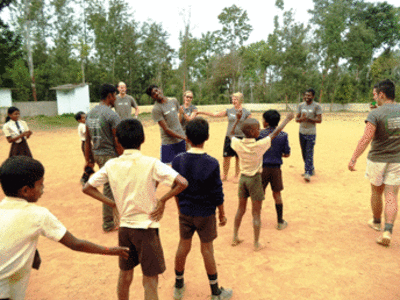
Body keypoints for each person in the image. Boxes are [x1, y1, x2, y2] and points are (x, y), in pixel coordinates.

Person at [83, 118, 188, 300]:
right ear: (143, 139)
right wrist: (162, 200)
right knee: (150, 280)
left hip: (125, 229)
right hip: (147, 229)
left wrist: (113, 204)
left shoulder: (111, 165)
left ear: (118, 141)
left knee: (125, 275)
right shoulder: (151, 163)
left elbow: (87, 188)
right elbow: (182, 182)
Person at [0, 156, 129, 300]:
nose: (43, 188)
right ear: (25, 191)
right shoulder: (38, 215)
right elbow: (75, 244)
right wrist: (110, 250)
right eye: (40, 184)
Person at [171, 118, 232, 300]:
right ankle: (215, 292)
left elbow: (175, 189)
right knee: (207, 250)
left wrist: (180, 208)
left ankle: (179, 286)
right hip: (205, 213)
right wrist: (221, 213)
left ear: (186, 138)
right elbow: (217, 192)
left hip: (186, 211)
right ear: (207, 137)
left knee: (183, 246)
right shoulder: (212, 163)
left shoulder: (178, 160)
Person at [230, 111, 294, 251]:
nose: (260, 130)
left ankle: (235, 236)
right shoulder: (259, 145)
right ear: (253, 132)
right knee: (256, 213)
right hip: (254, 179)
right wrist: (287, 120)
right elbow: (276, 132)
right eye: (258, 129)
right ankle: (256, 243)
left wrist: (236, 120)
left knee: (240, 209)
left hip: (243, 179)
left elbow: (231, 134)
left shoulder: (238, 144)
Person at [348, 79, 400, 247]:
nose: (374, 98)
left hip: (377, 159)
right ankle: (388, 230)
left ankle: (377, 222)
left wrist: (354, 157)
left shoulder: (375, 114)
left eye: (375, 95)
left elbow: (366, 138)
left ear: (382, 94)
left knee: (376, 192)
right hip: (397, 160)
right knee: (391, 195)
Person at [85, 83, 123, 232]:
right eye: (114, 96)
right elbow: (117, 140)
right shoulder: (111, 114)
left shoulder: (90, 113)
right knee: (109, 188)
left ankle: (115, 216)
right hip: (109, 155)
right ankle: (108, 223)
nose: (115, 99)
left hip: (97, 153)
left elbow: (87, 140)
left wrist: (88, 160)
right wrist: (122, 156)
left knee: (112, 186)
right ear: (109, 96)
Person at [197, 92, 251, 182]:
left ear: (241, 100)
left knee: (238, 157)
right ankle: (224, 175)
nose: (233, 101)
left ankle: (237, 175)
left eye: (236, 99)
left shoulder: (246, 112)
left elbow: (251, 124)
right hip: (229, 137)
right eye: (233, 99)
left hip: (241, 137)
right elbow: (215, 114)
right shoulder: (229, 111)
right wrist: (201, 112)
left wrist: (249, 137)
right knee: (226, 157)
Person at [259, 110, 291, 230]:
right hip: (276, 169)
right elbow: (287, 154)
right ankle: (280, 221)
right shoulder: (283, 135)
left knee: (259, 195)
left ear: (266, 122)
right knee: (277, 195)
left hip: (262, 169)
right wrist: (278, 155)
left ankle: (257, 219)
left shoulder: (260, 134)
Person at [147, 84, 186, 164]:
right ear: (152, 97)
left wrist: (182, 135)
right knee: (167, 169)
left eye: (156, 90)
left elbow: (178, 119)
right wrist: (184, 137)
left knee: (182, 166)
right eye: (153, 94)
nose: (156, 93)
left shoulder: (174, 100)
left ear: (160, 89)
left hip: (181, 141)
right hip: (168, 143)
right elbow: (166, 129)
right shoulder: (156, 109)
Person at [295, 88, 322, 182]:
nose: (307, 97)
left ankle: (307, 172)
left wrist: (309, 119)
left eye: (309, 95)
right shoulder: (301, 105)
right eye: (306, 95)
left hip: (311, 133)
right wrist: (301, 119)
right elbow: (296, 119)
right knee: (304, 152)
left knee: (309, 152)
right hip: (301, 132)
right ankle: (311, 168)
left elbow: (319, 120)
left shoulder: (317, 106)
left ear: (313, 96)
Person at [75, 111, 94, 185]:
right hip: (85, 145)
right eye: (83, 118)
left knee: (92, 162)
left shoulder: (85, 124)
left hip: (88, 144)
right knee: (90, 162)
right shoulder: (82, 126)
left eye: (86, 117)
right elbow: (88, 133)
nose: (85, 119)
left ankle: (87, 177)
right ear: (79, 120)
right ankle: (84, 178)